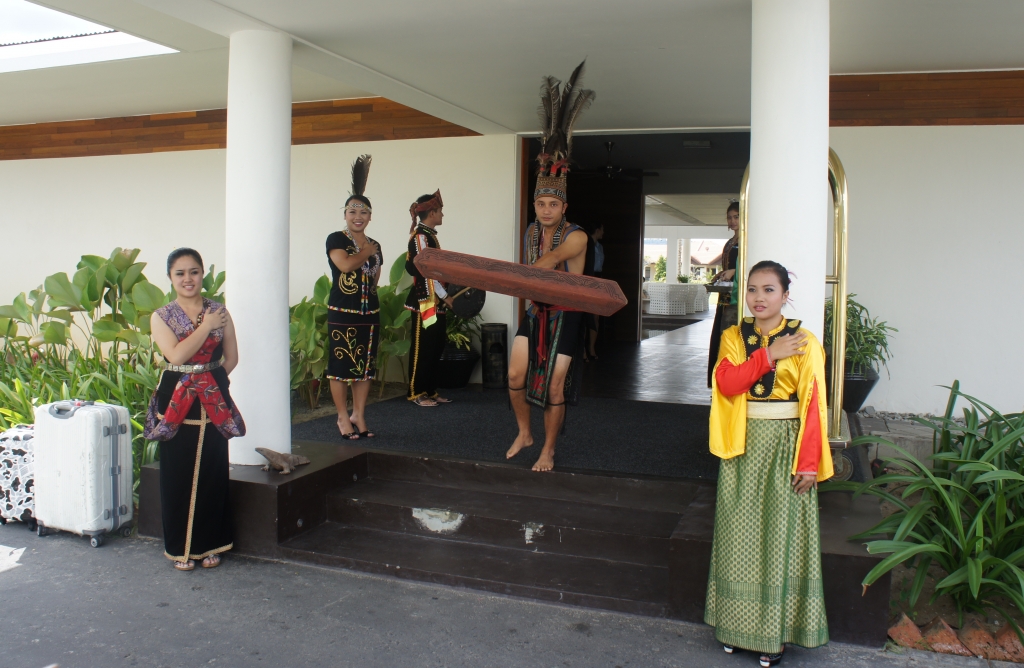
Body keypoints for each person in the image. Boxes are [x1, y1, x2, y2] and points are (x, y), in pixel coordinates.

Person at [704, 260, 833, 667]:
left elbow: (814, 404)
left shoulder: (806, 341)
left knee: (778, 538)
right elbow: (726, 383)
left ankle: (772, 635)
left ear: (785, 295)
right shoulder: (732, 336)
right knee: (737, 536)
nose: (759, 298)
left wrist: (809, 463)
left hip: (785, 445)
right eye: (753, 290)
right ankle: (733, 627)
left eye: (769, 290)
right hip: (742, 446)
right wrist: (769, 355)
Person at [506, 60, 594, 472]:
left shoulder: (576, 235)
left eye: (552, 204)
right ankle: (525, 432)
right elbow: (529, 273)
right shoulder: (528, 231)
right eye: (540, 204)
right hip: (535, 313)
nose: (544, 210)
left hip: (568, 315)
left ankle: (548, 449)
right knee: (514, 377)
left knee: (555, 385)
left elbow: (549, 264)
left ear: (564, 206)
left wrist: (516, 278)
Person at [145, 248, 245, 572]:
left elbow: (231, 358)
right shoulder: (161, 316)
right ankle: (180, 548)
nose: (188, 279)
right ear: (171, 278)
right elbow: (175, 356)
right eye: (180, 273)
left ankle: (210, 545)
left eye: (194, 272)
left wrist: (209, 382)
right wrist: (206, 327)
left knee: (213, 471)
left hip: (213, 397)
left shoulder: (220, 310)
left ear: (202, 274)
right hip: (175, 399)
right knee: (177, 473)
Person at [326, 155, 383, 439]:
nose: (358, 217)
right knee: (340, 368)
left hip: (369, 313)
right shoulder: (335, 239)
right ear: (345, 215)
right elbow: (345, 265)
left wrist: (371, 254)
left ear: (370, 216)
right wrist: (366, 253)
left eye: (363, 213)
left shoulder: (376, 244)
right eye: (352, 212)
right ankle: (341, 418)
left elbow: (374, 279)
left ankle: (359, 415)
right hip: (342, 312)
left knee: (365, 368)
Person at [405, 190, 454, 406]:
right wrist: (446, 296)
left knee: (435, 346)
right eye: (440, 211)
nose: (443, 214)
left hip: (435, 301)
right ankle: (417, 392)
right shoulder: (421, 237)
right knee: (423, 347)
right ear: (432, 212)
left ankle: (430, 390)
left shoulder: (430, 236)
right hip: (426, 301)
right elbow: (426, 271)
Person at [707, 201, 741, 387]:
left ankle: (731, 381)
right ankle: (720, 381)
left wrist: (735, 272)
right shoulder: (730, 242)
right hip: (725, 297)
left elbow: (753, 266)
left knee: (731, 336)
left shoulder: (749, 240)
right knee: (721, 336)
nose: (732, 221)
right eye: (730, 217)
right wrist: (723, 274)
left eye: (736, 216)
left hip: (738, 298)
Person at [584, 222, 605, 361]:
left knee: (595, 316)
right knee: (584, 316)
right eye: (602, 230)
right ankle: (582, 351)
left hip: (597, 279)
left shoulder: (600, 247)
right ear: (597, 230)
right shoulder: (584, 244)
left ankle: (591, 348)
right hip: (586, 279)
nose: (603, 233)